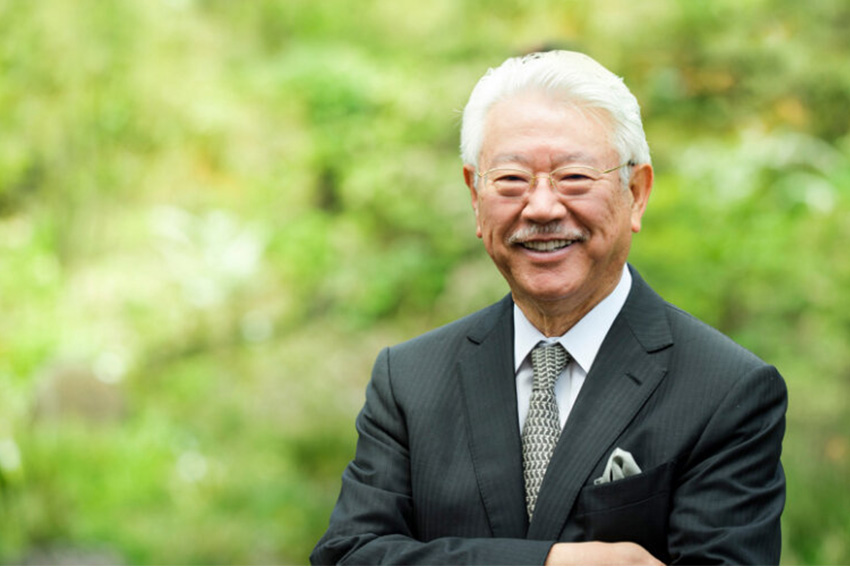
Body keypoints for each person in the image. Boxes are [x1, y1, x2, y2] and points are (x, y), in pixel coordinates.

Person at [310, 50, 786, 566]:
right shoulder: (409, 381)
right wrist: (555, 562)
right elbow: (348, 555)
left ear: (637, 193)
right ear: (475, 196)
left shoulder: (725, 389)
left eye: (574, 177)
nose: (540, 207)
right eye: (511, 180)